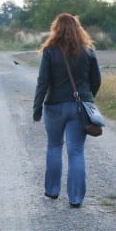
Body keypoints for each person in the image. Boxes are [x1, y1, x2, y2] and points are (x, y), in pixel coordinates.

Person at [33, 13, 101, 207]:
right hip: (80, 108)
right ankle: (76, 199)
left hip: (54, 106)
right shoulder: (88, 51)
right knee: (76, 151)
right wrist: (87, 98)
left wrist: (37, 108)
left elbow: (43, 82)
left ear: (56, 29)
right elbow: (96, 80)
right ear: (78, 29)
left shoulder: (49, 51)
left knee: (54, 146)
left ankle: (52, 190)